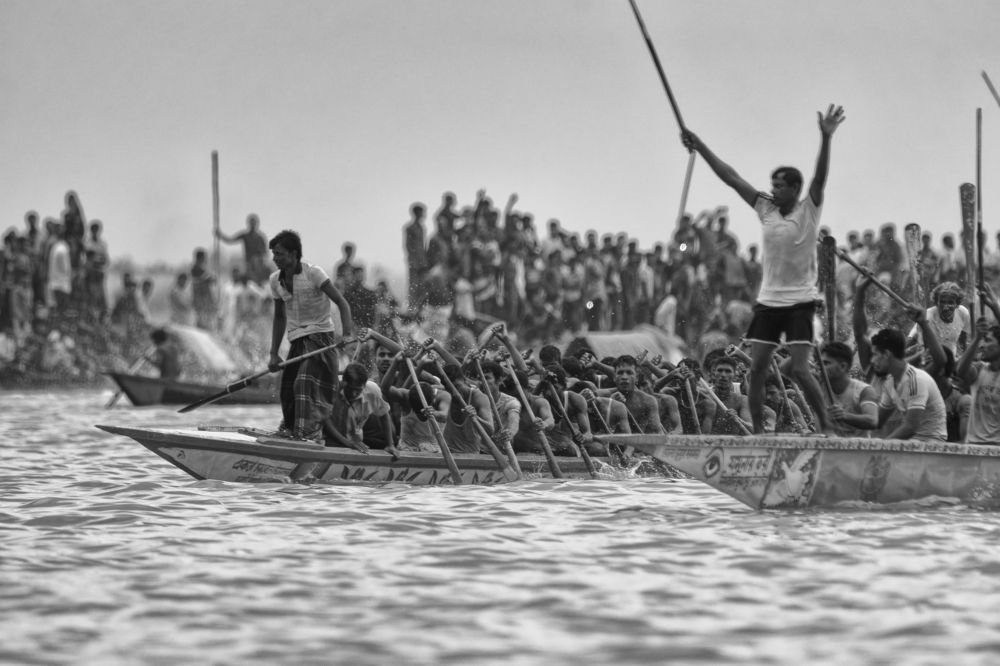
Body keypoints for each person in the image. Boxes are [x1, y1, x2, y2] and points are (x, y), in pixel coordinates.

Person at [681, 104, 846, 435]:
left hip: (799, 300)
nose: (773, 190)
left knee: (799, 369)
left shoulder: (809, 209)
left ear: (795, 190)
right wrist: (700, 147)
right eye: (772, 185)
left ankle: (826, 423)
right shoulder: (765, 207)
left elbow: (820, 176)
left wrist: (825, 137)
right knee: (756, 370)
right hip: (769, 300)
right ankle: (758, 434)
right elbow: (730, 177)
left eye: (780, 186)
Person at [268, 229, 355, 440]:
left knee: (303, 382)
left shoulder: (313, 273)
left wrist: (347, 334)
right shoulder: (274, 281)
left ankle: (307, 432)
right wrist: (273, 354)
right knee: (287, 388)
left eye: (279, 254)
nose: (275, 259)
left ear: (294, 254)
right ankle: (289, 428)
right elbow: (279, 318)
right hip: (297, 339)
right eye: (274, 254)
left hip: (321, 337)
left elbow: (342, 303)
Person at [869, 328, 947, 441]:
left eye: (875, 354)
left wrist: (884, 444)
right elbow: (877, 421)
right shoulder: (890, 381)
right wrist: (845, 419)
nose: (872, 360)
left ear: (886, 354)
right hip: (913, 443)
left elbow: (911, 426)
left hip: (931, 441)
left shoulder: (916, 379)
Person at [956, 289, 1000, 445]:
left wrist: (995, 307)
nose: (983, 346)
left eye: (988, 341)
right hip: (973, 447)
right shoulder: (980, 369)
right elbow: (960, 371)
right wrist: (977, 338)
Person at [322, 362, 392, 454]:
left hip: (356, 445)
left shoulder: (372, 390)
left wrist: (390, 445)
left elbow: (384, 414)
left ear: (364, 385)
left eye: (358, 390)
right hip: (329, 444)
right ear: (343, 381)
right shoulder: (332, 388)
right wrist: (348, 443)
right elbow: (325, 420)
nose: (354, 393)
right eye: (351, 389)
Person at [821, 341, 878, 437]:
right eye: (820, 363)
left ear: (843, 366)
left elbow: (872, 421)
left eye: (826, 363)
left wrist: (844, 415)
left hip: (857, 450)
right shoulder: (818, 388)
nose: (821, 367)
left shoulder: (864, 390)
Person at [216, 214, 269, 285]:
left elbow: (265, 252)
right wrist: (220, 235)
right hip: (248, 264)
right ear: (248, 224)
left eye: (254, 223)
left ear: (257, 224)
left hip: (258, 266)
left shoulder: (260, 237)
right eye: (251, 223)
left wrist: (259, 258)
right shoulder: (245, 236)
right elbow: (230, 240)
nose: (252, 225)